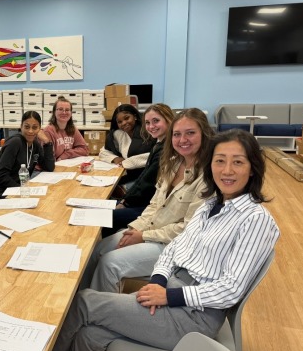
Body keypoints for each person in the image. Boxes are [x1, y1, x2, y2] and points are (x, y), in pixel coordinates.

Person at [41, 129, 280, 351]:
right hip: (172, 293)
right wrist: (158, 281)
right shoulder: (210, 205)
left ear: (253, 169)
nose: (227, 170)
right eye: (220, 160)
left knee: (83, 302)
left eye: (238, 162)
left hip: (195, 316)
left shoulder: (256, 220)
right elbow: (174, 249)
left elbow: (231, 290)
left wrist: (169, 296)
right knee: (89, 336)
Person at [89, 108, 214, 291]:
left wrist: (143, 236)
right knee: (96, 250)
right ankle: (81, 303)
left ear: (204, 134)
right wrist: (135, 228)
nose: (182, 140)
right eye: (177, 134)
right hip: (151, 231)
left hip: (175, 245)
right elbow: (155, 204)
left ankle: (97, 313)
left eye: (190, 133)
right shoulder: (173, 163)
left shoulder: (208, 176)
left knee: (109, 263)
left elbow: (189, 228)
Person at [104, 103, 175, 236]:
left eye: (156, 121)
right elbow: (145, 176)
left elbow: (148, 183)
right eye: (147, 122)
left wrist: (126, 202)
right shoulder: (158, 144)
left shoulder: (166, 149)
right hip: (147, 200)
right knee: (105, 205)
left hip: (151, 207)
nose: (151, 126)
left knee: (107, 216)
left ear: (168, 119)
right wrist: (126, 200)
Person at [0, 111, 55, 201]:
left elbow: (49, 167)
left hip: (21, 190)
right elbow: (1, 175)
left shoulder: (35, 144)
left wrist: (47, 142)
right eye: (27, 127)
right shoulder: (15, 143)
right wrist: (22, 190)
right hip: (3, 193)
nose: (30, 131)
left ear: (40, 129)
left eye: (35, 127)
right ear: (21, 126)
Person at [98, 104, 154, 186]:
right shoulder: (119, 134)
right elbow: (103, 152)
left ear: (134, 116)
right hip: (129, 174)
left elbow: (155, 155)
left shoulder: (148, 131)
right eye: (119, 122)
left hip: (147, 177)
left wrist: (127, 162)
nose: (124, 123)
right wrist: (115, 158)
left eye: (127, 118)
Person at [42, 96, 88, 161]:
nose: (64, 112)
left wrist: (67, 154)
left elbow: (84, 149)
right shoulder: (48, 131)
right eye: (60, 109)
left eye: (67, 110)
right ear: (54, 112)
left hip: (67, 165)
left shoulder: (73, 129)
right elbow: (49, 158)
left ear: (71, 113)